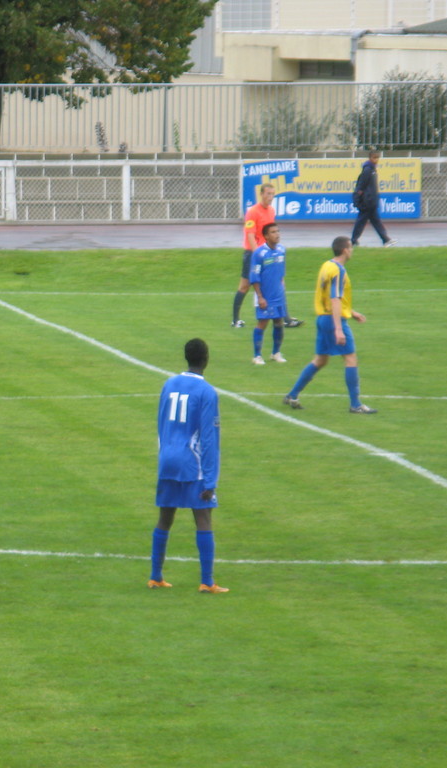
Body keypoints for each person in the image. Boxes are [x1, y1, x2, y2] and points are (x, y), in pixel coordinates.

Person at [149, 338, 228, 593]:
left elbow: (161, 423)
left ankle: (155, 576)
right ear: (206, 359)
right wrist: (210, 480)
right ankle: (207, 581)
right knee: (203, 516)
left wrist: (164, 455)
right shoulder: (207, 392)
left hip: (167, 458)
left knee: (165, 517)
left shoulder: (168, 384)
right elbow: (208, 437)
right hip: (191, 462)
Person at [282, 236, 377, 414]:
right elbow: (334, 298)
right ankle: (356, 404)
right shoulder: (339, 271)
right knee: (350, 358)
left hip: (323, 319)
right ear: (345, 250)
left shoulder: (327, 266)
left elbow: (329, 297)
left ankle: (292, 395)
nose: (352, 251)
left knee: (320, 360)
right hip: (333, 321)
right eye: (351, 247)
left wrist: (351, 312)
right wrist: (339, 329)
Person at [232, 183, 302, 329]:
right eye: (268, 194)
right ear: (261, 194)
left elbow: (270, 233)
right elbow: (250, 235)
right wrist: (258, 254)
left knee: (278, 283)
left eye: (272, 194)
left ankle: (286, 318)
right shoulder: (252, 212)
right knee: (245, 286)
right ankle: (235, 319)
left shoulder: (271, 211)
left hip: (268, 253)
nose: (270, 197)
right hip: (253, 254)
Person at [249, 222, 289, 365]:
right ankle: (257, 355)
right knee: (262, 323)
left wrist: (281, 286)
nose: (277, 234)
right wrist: (260, 297)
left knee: (279, 322)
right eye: (273, 232)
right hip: (264, 296)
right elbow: (254, 277)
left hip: (278, 295)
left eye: (278, 231)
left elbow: (281, 272)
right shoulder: (259, 254)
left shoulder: (282, 250)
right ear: (266, 236)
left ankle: (276, 353)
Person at [351, 149, 398, 248]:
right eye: (374, 158)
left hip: (371, 201)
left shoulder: (372, 170)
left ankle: (385, 240)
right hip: (368, 201)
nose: (376, 160)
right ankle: (354, 241)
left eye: (377, 158)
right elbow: (361, 185)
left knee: (373, 221)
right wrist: (359, 198)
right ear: (370, 158)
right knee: (362, 222)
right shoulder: (368, 170)